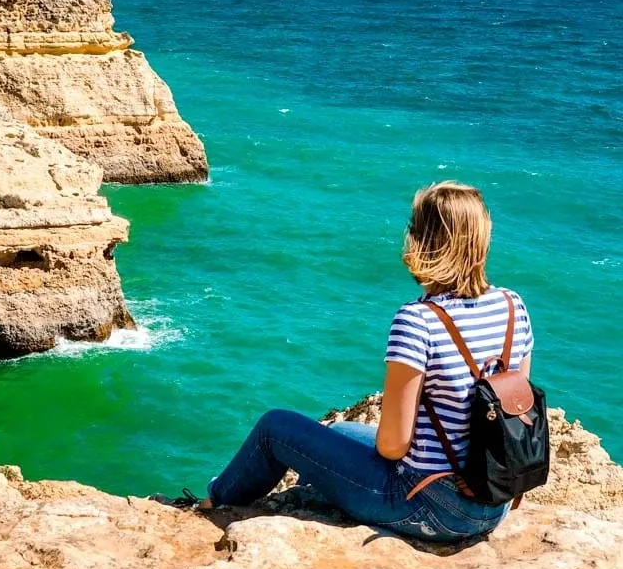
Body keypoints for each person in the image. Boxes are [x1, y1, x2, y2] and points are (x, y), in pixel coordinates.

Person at [159, 181, 534, 543]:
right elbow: (510, 417)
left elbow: (393, 446)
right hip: (493, 504)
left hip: (430, 508)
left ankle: (214, 503)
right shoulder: (512, 306)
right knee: (339, 432)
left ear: (425, 242)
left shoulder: (418, 320)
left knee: (275, 427)